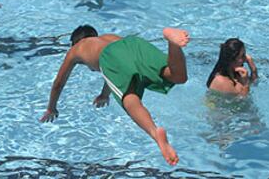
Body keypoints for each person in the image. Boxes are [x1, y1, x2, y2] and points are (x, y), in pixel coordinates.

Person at [40, 25, 190, 166]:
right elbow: (118, 68)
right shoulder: (109, 37)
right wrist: (104, 95)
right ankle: (172, 44)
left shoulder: (75, 50)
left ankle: (156, 135)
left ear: (75, 42)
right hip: (133, 44)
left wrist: (51, 108)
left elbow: (58, 83)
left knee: (130, 99)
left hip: (111, 55)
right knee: (177, 76)